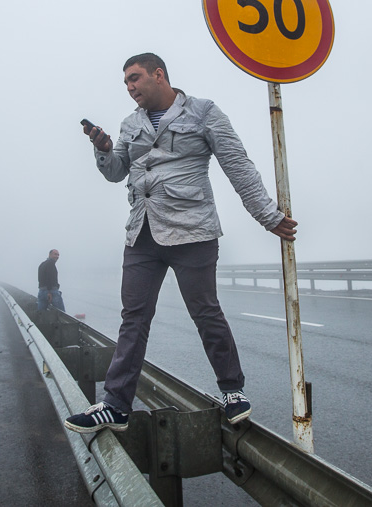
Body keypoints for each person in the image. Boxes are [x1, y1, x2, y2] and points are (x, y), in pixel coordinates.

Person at [64, 53, 297, 434]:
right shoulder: (130, 123)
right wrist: (104, 149)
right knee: (133, 319)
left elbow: (237, 165)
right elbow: (115, 173)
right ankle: (115, 405)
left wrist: (267, 216)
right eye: (125, 82)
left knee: (205, 311)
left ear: (159, 75)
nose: (130, 87)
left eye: (135, 78)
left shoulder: (203, 112)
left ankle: (232, 390)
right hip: (141, 232)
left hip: (193, 231)